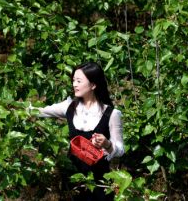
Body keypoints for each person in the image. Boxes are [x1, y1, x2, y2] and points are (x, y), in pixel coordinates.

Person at [37, 62, 124, 201]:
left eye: (79, 81)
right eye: (73, 81)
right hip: (73, 183)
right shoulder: (69, 107)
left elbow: (120, 149)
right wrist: (12, 107)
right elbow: (39, 111)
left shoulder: (111, 114)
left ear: (93, 85)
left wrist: (107, 144)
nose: (74, 85)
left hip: (99, 183)